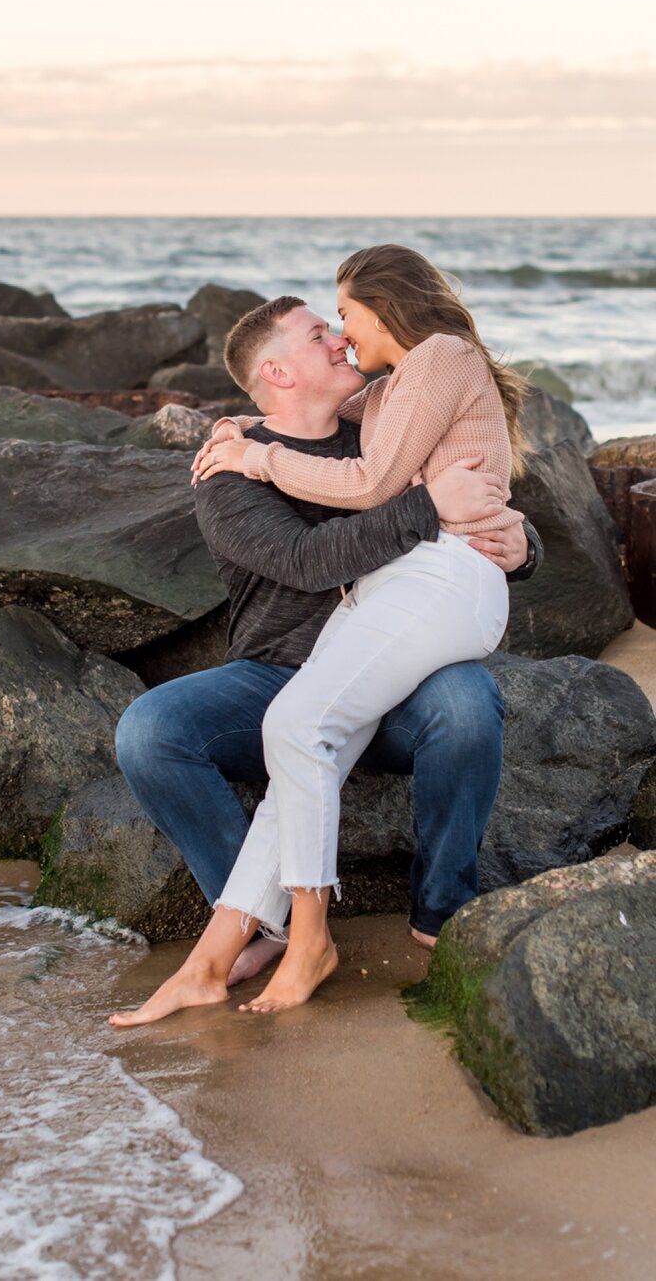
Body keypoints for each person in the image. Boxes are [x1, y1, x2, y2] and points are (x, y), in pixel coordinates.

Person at [110, 255, 539, 1027]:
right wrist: (256, 450)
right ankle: (258, 929)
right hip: (279, 667)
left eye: (342, 320)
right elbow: (312, 563)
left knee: (467, 704)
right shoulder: (228, 470)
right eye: (321, 333)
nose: (341, 339)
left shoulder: (376, 420)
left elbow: (468, 482)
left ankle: (441, 913)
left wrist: (522, 542)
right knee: (151, 730)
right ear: (277, 371)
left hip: (398, 667)